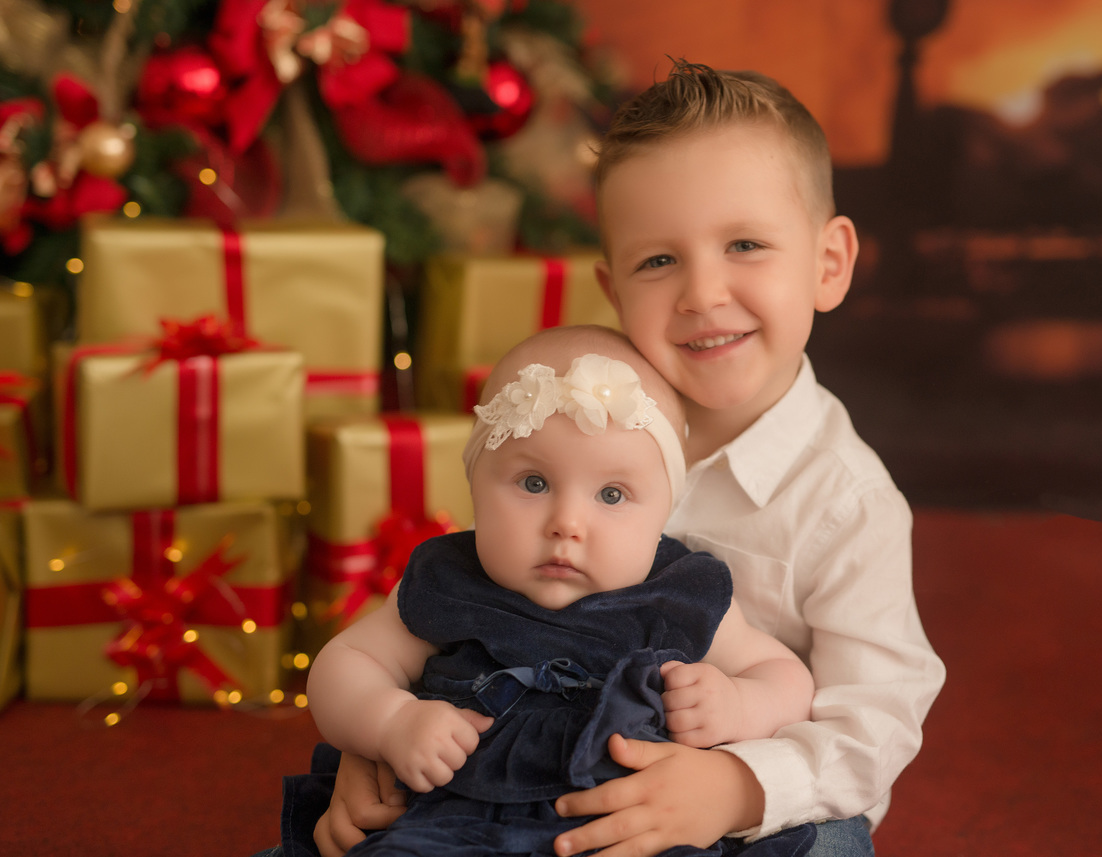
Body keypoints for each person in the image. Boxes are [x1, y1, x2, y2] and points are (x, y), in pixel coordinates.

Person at [303, 58, 946, 857]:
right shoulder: (577, 419)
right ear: (613, 289)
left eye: (745, 243)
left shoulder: (847, 502)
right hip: (536, 759)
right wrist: (385, 738)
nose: (702, 292)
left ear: (828, 263)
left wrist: (735, 787)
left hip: (738, 790)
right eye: (659, 260)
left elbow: (874, 723)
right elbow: (470, 613)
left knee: (834, 843)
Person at [302, 325, 819, 857]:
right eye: (534, 483)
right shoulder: (449, 581)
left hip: (629, 831)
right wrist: (391, 721)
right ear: (475, 485)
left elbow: (785, 678)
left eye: (612, 494)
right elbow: (346, 661)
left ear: (665, 511)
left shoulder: (677, 594)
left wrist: (737, 703)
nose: (567, 523)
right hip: (457, 824)